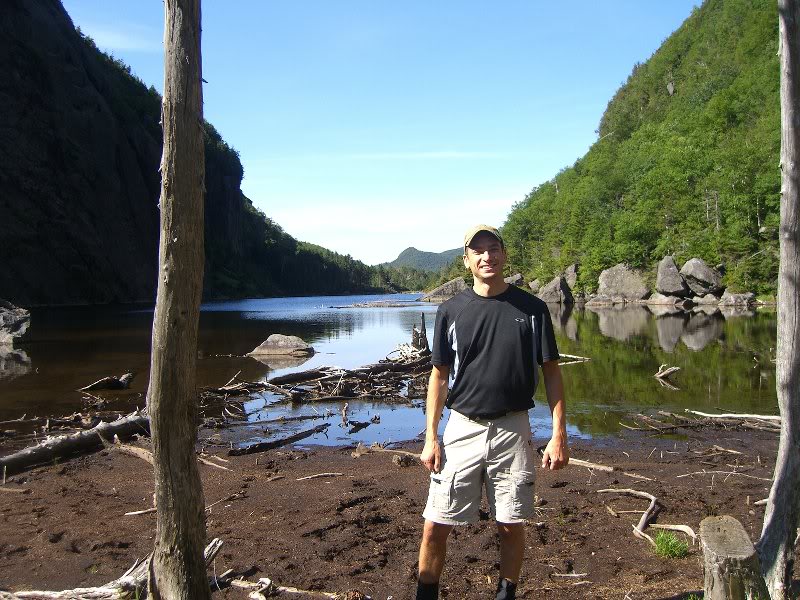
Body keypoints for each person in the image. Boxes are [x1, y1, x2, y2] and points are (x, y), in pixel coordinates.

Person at [415, 225, 569, 600]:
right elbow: (439, 377)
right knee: (435, 525)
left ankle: (506, 595)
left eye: (494, 248)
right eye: (478, 250)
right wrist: (431, 437)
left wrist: (558, 435)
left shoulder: (532, 309)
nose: (488, 256)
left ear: (504, 255)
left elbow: (551, 372)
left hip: (513, 430)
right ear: (466, 260)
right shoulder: (451, 311)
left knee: (511, 523)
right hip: (461, 428)